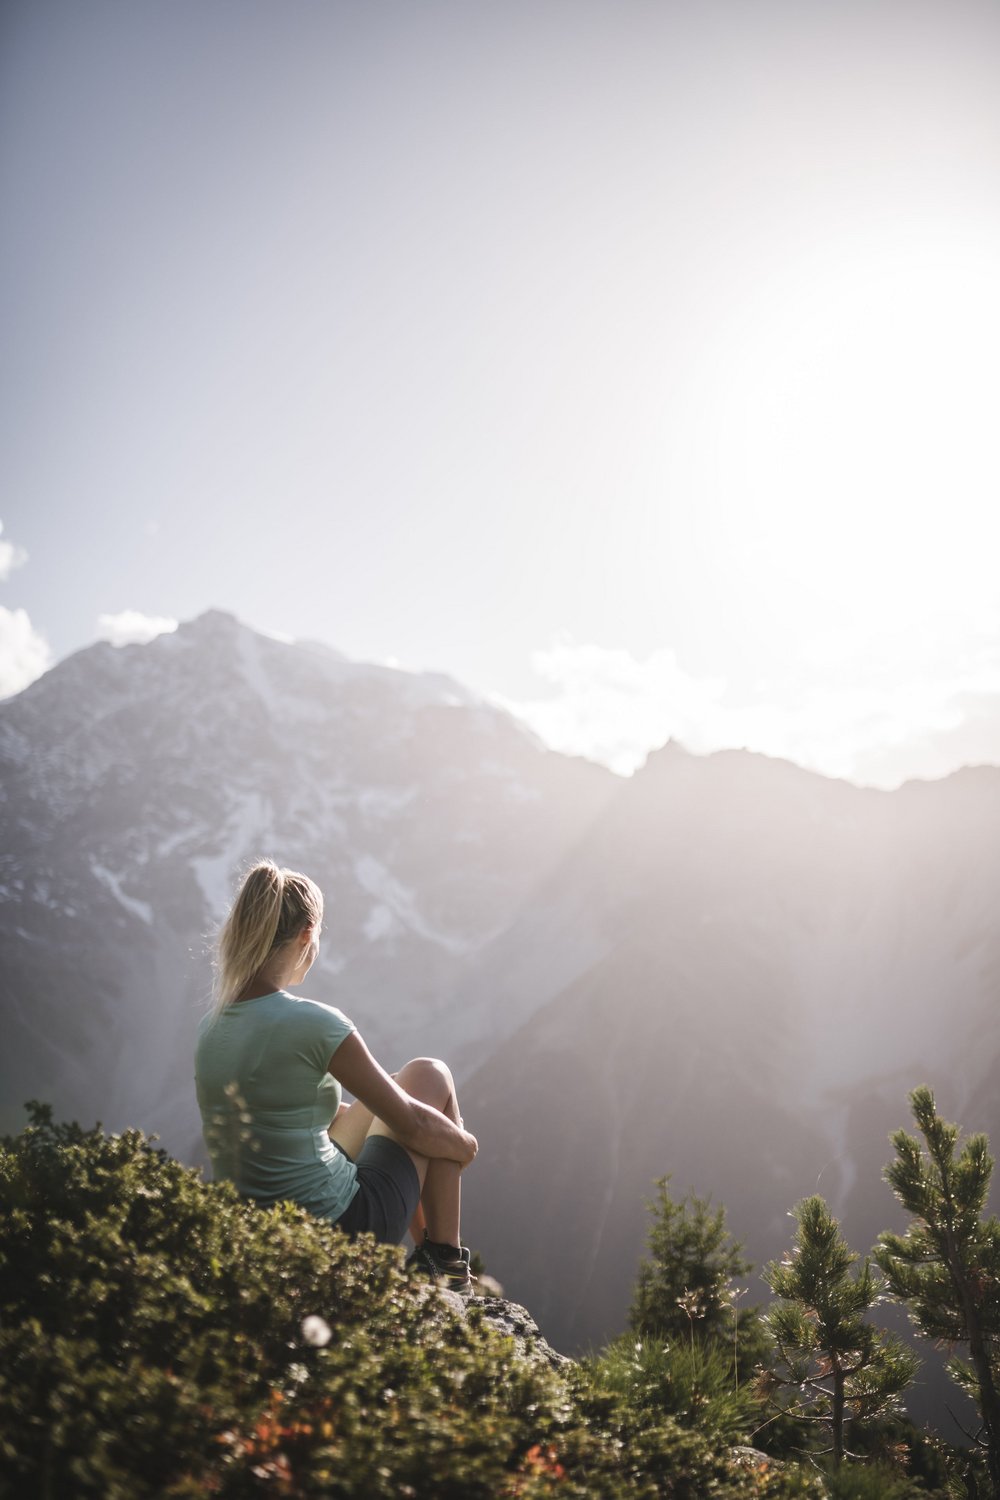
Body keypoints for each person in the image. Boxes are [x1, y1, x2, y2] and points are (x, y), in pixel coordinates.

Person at [194, 859, 478, 1293]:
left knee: (398, 1084)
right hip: (339, 1228)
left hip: (261, 1234)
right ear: (308, 934)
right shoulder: (314, 1023)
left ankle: (434, 1260)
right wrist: (464, 1144)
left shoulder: (212, 1027)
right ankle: (445, 1263)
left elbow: (276, 1117)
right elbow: (413, 1124)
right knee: (428, 1076)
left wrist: (347, 1116)